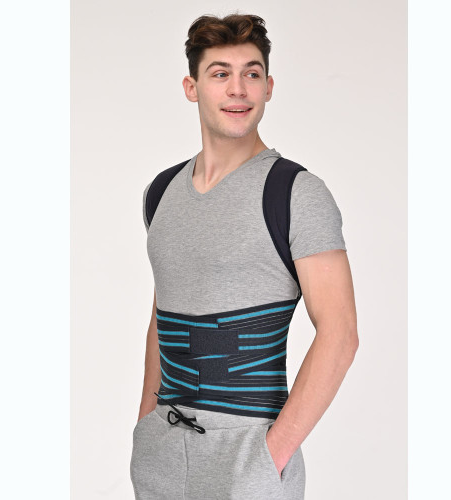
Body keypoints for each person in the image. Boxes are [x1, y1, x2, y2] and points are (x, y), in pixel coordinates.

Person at [130, 12, 358, 500]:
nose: (238, 89)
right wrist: (146, 421)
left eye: (251, 74)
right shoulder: (161, 192)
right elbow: (163, 308)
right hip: (161, 451)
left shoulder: (295, 193)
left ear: (269, 87)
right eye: (220, 74)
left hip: (249, 455)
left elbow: (340, 334)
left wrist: (270, 455)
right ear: (192, 88)